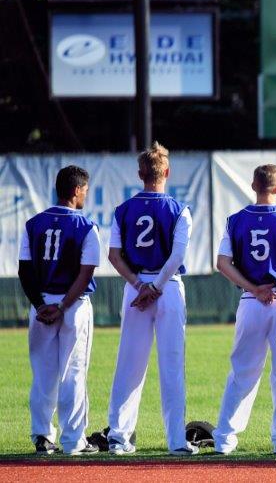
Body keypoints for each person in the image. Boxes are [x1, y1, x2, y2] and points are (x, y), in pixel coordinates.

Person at [213, 165, 276, 455]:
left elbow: (222, 263)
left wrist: (255, 288)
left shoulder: (235, 220)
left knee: (242, 371)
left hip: (251, 301)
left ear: (253, 185)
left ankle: (225, 439)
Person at [107, 143, 195, 455]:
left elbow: (114, 256)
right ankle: (175, 442)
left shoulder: (123, 210)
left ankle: (118, 437)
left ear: (140, 174)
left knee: (129, 364)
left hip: (135, 290)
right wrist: (156, 286)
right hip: (167, 287)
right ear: (166, 172)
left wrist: (139, 284)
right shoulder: (179, 209)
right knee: (172, 365)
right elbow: (178, 255)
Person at [19, 165, 100, 456]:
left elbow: (24, 271)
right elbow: (86, 272)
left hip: (40, 307)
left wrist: (41, 305)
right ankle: (73, 440)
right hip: (73, 306)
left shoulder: (33, 224)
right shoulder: (87, 225)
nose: (85, 195)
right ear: (77, 190)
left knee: (43, 374)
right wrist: (63, 306)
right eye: (85, 190)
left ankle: (42, 436)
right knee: (74, 373)